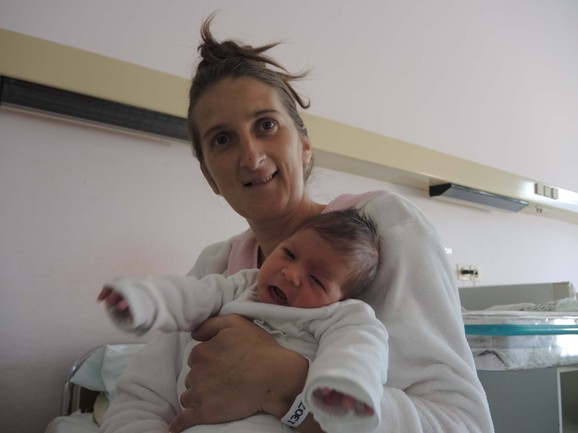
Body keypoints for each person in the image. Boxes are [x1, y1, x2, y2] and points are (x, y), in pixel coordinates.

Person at [100, 14, 494, 433]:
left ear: (304, 146)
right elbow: (138, 401)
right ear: (209, 176)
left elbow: (463, 424)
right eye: (222, 139)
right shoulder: (213, 268)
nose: (251, 157)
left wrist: (285, 388)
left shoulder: (383, 231)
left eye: (266, 125)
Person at [98, 209, 387, 433]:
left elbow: (359, 350)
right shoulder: (242, 285)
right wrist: (144, 300)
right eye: (289, 254)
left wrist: (344, 389)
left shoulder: (340, 316)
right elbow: (191, 295)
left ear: (341, 298)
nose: (290, 274)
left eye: (316, 279)